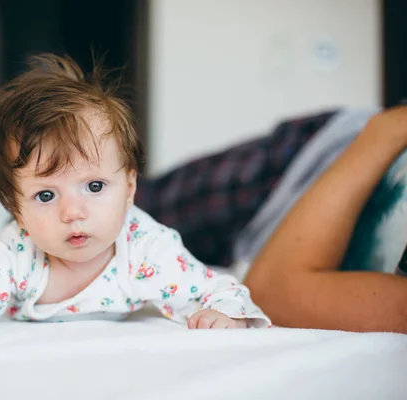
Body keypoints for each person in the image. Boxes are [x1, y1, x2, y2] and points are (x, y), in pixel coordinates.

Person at [0, 54, 270, 344]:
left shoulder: (146, 247)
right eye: (45, 194)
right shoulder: (16, 252)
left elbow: (217, 287)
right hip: (2, 248)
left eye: (94, 187)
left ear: (129, 189)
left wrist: (224, 312)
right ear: (16, 209)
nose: (73, 212)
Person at [137, 106, 407, 334]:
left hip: (307, 186)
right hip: (315, 156)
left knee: (133, 222)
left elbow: (274, 292)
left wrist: (387, 128)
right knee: (130, 203)